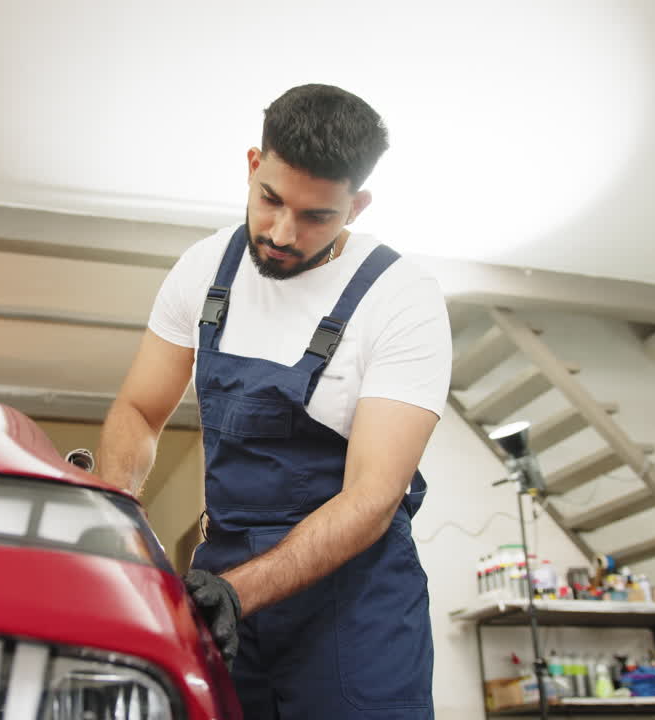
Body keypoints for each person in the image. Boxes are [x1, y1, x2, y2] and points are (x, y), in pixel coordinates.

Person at [97, 83, 451, 719]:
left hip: (355, 609)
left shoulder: (402, 298)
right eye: (270, 201)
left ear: (358, 205)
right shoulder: (203, 268)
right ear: (253, 165)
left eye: (316, 216)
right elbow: (140, 412)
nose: (282, 233)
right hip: (224, 575)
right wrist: (115, 523)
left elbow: (372, 498)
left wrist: (237, 593)